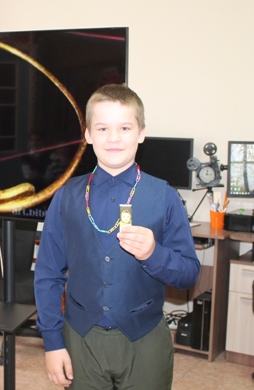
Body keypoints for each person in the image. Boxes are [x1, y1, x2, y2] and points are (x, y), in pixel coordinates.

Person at [34, 84, 200, 389]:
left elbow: (188, 274)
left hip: (144, 338)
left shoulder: (165, 197)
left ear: (141, 133)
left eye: (124, 128)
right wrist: (52, 342)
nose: (113, 138)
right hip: (80, 337)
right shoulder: (66, 196)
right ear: (88, 135)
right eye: (103, 128)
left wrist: (154, 254)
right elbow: (47, 274)